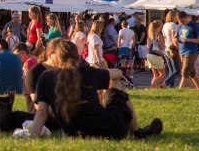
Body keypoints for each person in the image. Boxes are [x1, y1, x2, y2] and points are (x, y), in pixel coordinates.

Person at [31, 39, 163, 140]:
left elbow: (42, 111)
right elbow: (118, 73)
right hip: (110, 129)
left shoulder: (46, 77)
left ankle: (135, 131)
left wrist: (33, 137)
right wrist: (103, 74)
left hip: (73, 132)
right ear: (78, 59)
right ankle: (137, 132)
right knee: (114, 82)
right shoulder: (87, 72)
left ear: (57, 61)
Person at [176, 11, 199, 89]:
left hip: (191, 52)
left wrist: (189, 40)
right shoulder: (179, 26)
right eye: (179, 21)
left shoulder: (194, 26)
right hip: (182, 52)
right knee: (192, 73)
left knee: (185, 72)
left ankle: (179, 91)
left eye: (182, 21)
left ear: (186, 17)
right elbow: (176, 37)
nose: (181, 23)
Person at [161, 10, 180, 87]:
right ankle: (165, 84)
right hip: (173, 48)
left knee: (171, 70)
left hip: (166, 48)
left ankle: (171, 87)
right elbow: (174, 38)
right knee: (177, 70)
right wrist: (178, 50)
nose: (177, 18)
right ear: (173, 16)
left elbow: (164, 36)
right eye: (176, 16)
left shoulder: (165, 25)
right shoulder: (174, 25)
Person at [145, 20, 166, 89]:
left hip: (150, 55)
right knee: (162, 75)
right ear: (159, 26)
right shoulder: (159, 34)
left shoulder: (150, 34)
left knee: (155, 74)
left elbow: (148, 46)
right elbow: (162, 46)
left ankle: (153, 88)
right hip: (156, 55)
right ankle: (151, 87)